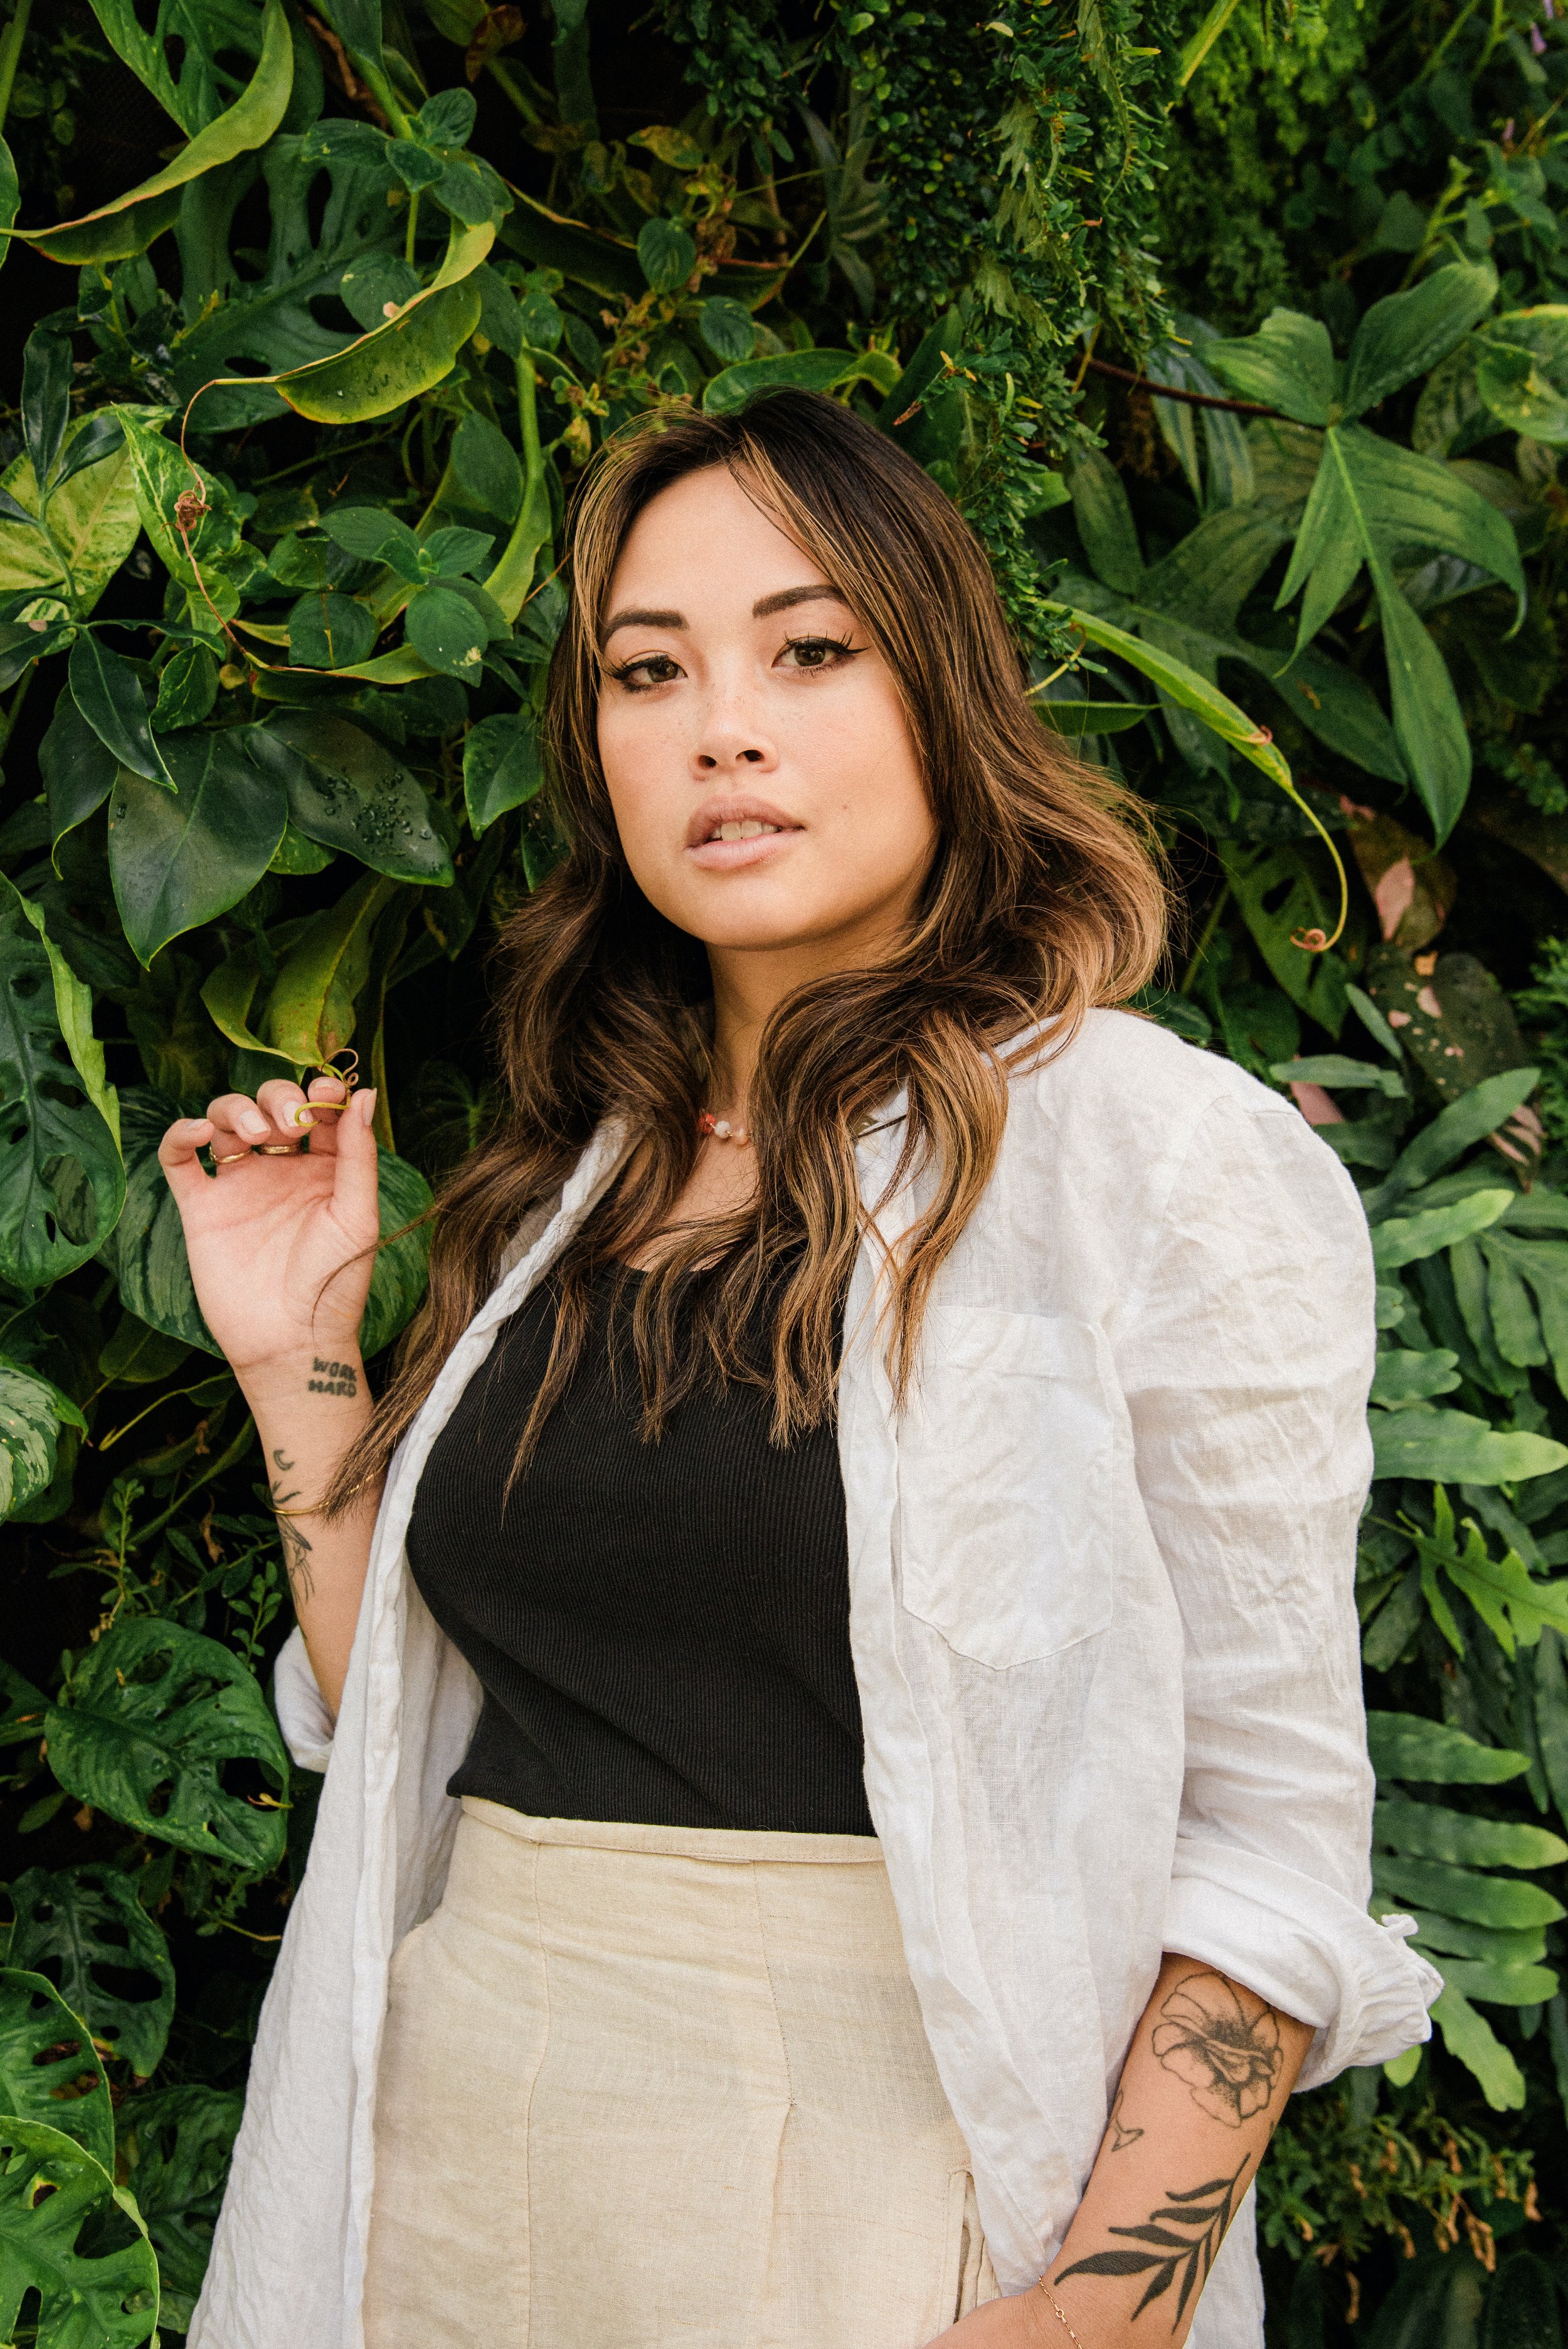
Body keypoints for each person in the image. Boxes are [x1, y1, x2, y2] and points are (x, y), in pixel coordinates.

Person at [164, 389, 1438, 2349]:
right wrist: (299, 1361)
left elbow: (1269, 1828)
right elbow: (410, 1710)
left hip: (879, 2164)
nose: (720, 726)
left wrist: (1092, 2310)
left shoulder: (1147, 1156)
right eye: (646, 671)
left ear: (941, 692)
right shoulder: (567, 1182)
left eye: (809, 649)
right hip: (449, 2130)